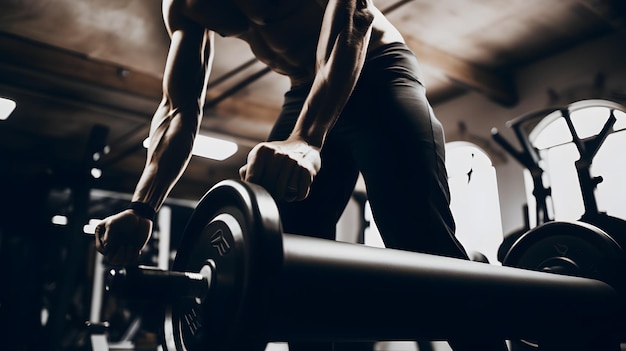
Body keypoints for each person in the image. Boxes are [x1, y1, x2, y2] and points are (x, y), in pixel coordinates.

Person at [95, 1, 508, 350]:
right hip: (305, 89)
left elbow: (352, 18)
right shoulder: (184, 3)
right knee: (285, 263)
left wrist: (306, 139)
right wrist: (142, 206)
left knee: (421, 244)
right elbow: (179, 107)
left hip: (377, 72)